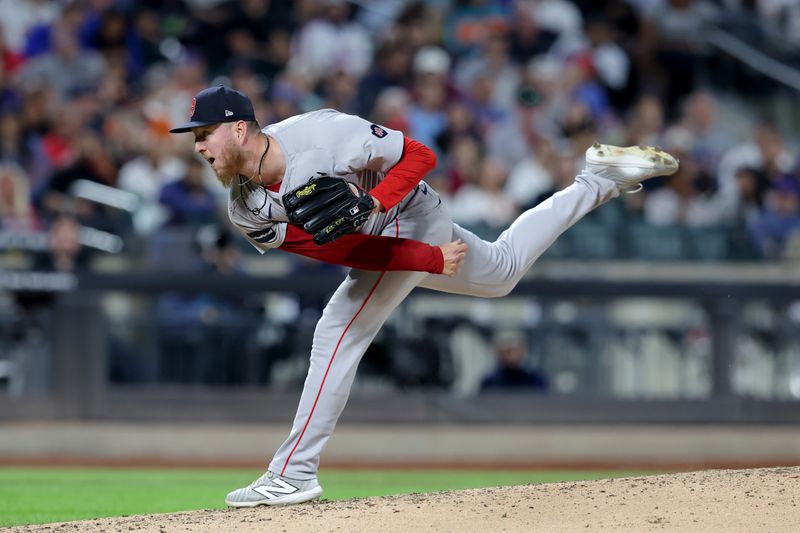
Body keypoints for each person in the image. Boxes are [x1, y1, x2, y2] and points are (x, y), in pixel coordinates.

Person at [169, 85, 678, 507]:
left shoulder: (322, 135)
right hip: (388, 241)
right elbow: (335, 248)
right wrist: (423, 260)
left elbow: (420, 155)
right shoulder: (244, 208)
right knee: (501, 272)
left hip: (413, 211)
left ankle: (294, 472)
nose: (198, 146)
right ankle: (598, 179)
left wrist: (381, 207)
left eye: (204, 134)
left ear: (239, 129)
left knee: (337, 330)